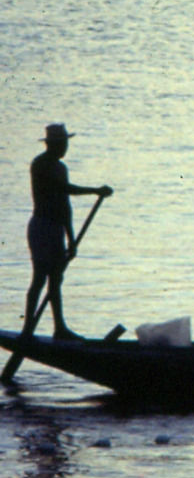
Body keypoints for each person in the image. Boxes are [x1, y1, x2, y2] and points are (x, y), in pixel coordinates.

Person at [24, 123, 112, 340]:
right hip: (42, 226)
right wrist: (94, 190)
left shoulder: (62, 168)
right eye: (62, 144)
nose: (65, 148)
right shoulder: (40, 164)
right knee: (40, 277)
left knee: (56, 278)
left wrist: (71, 239)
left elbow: (65, 205)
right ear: (52, 144)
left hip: (56, 228)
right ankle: (27, 329)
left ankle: (59, 327)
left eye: (65, 144)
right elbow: (62, 189)